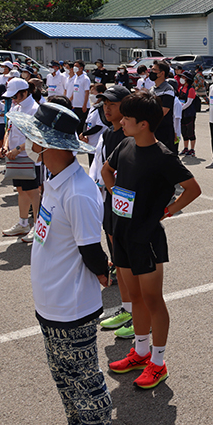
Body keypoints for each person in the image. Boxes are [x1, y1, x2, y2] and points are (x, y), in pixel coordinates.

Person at [7, 101, 118, 425]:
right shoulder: (53, 179)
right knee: (63, 376)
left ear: (44, 141)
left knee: (87, 383)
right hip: (50, 302)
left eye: (36, 137)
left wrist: (105, 276)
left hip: (72, 307)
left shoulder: (79, 190)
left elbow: (92, 253)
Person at [102, 92, 201, 389]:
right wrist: (114, 192)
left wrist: (167, 212)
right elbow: (108, 170)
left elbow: (192, 188)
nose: (121, 121)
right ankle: (141, 351)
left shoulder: (163, 156)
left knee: (153, 299)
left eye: (127, 119)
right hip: (122, 233)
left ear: (144, 124)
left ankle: (158, 362)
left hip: (146, 237)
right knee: (134, 297)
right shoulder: (125, 143)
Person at [90, 86, 135, 339]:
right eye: (104, 103)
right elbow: (100, 167)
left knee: (129, 261)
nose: (106, 108)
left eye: (113, 104)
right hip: (109, 201)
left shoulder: (129, 136)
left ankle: (136, 312)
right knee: (118, 258)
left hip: (124, 204)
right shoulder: (108, 133)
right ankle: (126, 308)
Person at [1, 79, 41, 242]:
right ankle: (23, 223)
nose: (13, 99)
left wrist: (17, 150)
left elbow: (36, 137)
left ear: (24, 92)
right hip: (15, 157)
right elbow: (8, 129)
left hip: (29, 157)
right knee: (21, 190)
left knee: (33, 192)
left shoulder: (34, 109)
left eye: (15, 96)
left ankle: (38, 227)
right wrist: (5, 145)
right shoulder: (15, 107)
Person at [148, 60, 178, 152]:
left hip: (164, 130)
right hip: (153, 128)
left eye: (154, 70)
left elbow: (164, 111)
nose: (151, 72)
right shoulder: (152, 90)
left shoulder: (168, 89)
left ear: (162, 73)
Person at [177, 72, 198, 157]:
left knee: (190, 131)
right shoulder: (181, 88)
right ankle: (185, 148)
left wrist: (180, 108)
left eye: (183, 77)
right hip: (182, 113)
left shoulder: (191, 89)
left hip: (189, 113)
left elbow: (189, 102)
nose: (181, 79)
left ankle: (192, 149)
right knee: (184, 131)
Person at [66, 61, 92, 127]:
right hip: (76, 105)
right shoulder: (76, 78)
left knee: (82, 124)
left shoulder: (85, 79)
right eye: (74, 66)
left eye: (76, 66)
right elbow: (75, 91)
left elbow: (87, 92)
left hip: (82, 106)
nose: (74, 68)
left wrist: (84, 105)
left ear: (81, 68)